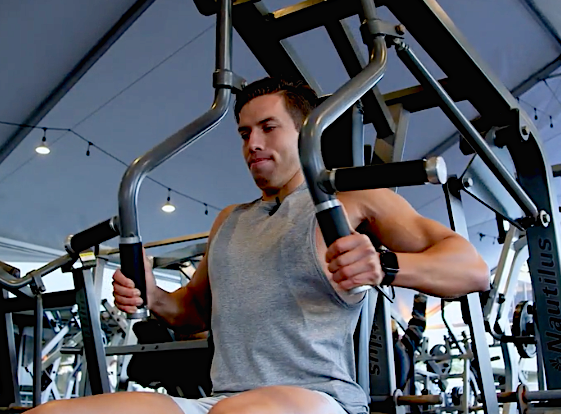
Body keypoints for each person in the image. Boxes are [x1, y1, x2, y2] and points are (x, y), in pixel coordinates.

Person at [31, 78, 489, 414]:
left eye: (268, 128)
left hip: (319, 400)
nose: (253, 143)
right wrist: (152, 296)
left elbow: (471, 269)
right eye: (245, 133)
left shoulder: (351, 201)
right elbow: (192, 311)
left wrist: (386, 266)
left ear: (308, 129)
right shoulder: (231, 220)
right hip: (220, 401)